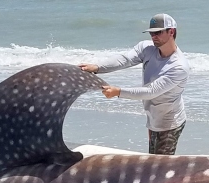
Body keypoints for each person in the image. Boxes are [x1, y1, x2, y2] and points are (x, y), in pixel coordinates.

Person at [79, 13, 189, 155]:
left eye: (158, 32)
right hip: (153, 117)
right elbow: (124, 60)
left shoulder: (178, 66)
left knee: (160, 166)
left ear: (171, 32)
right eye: (151, 33)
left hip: (169, 122)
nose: (153, 36)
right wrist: (97, 67)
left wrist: (118, 92)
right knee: (153, 159)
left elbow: (151, 91)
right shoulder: (147, 48)